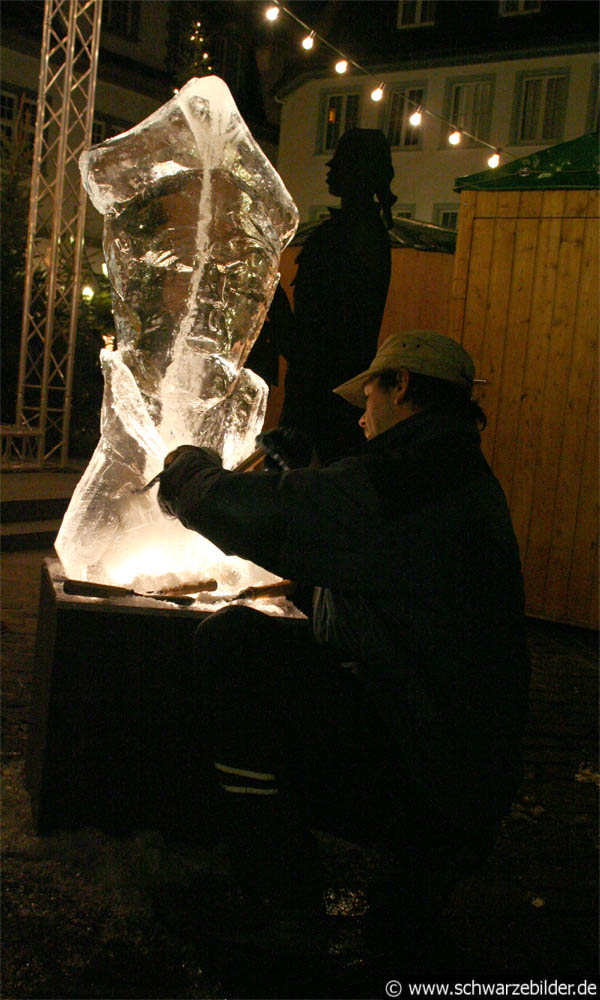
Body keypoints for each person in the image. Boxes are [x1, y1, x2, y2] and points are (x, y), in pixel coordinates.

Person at [157, 330, 530, 960]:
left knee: (236, 647)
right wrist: (304, 476)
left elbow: (277, 519)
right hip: (452, 766)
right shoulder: (449, 469)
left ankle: (279, 898)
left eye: (369, 396)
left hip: (430, 778)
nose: (361, 417)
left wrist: (193, 480)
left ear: (402, 384)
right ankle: (412, 881)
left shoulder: (418, 476)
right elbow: (363, 567)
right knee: (270, 648)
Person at [259, 127, 396, 469]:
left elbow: (322, 337)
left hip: (320, 402)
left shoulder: (353, 237)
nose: (330, 169)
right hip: (323, 395)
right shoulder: (361, 233)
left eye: (341, 162)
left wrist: (271, 298)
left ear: (358, 170)